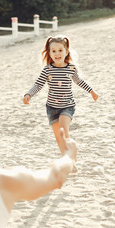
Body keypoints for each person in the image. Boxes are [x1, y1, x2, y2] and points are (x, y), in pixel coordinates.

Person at [23, 35, 98, 171]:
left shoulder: (71, 69)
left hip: (67, 106)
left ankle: (71, 153)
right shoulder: (47, 70)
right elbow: (38, 85)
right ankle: (68, 161)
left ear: (66, 51)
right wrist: (29, 94)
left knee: (63, 131)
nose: (57, 54)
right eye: (53, 51)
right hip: (51, 108)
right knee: (59, 137)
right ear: (49, 53)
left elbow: (79, 81)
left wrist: (91, 91)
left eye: (60, 50)